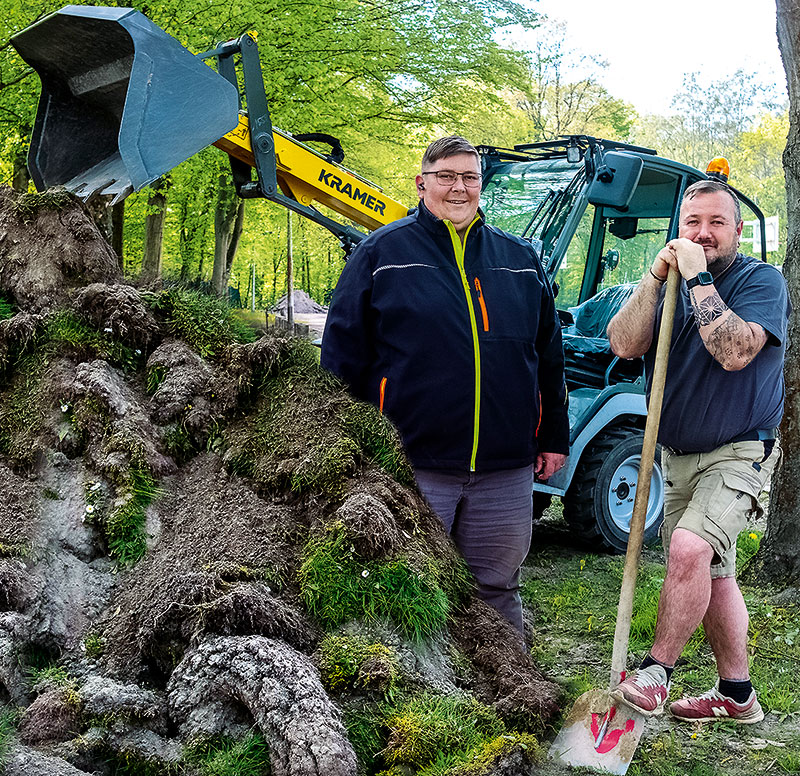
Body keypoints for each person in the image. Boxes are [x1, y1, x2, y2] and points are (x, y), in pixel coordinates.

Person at [321, 136, 569, 636]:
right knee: (407, 586)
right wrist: (347, 446)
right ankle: (419, 702)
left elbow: (547, 356)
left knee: (496, 588)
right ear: (422, 183)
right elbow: (341, 360)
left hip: (505, 469)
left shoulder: (519, 260)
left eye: (470, 177)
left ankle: (506, 695)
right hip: (411, 464)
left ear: (481, 185)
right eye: (446, 176)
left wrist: (553, 439)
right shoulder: (381, 255)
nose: (459, 187)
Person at [606, 179, 789, 723]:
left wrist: (697, 277)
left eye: (715, 222)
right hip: (678, 454)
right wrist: (656, 278)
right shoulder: (667, 284)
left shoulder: (762, 281)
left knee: (688, 549)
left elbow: (734, 351)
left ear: (737, 229)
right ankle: (737, 695)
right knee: (712, 572)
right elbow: (623, 343)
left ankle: (655, 673)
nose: (703, 233)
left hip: (741, 450)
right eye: (692, 223)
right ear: (678, 229)